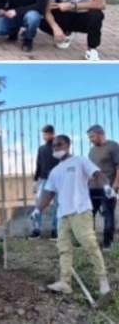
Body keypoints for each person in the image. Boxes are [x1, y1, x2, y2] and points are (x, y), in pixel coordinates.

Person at [30, 134, 112, 302]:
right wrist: (37, 210)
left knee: (89, 244)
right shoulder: (54, 171)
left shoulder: (80, 161)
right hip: (63, 215)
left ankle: (103, 282)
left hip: (80, 211)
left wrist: (107, 187)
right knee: (64, 249)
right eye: (53, 146)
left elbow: (97, 174)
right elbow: (48, 194)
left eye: (59, 144)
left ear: (68, 145)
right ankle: (65, 281)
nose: (56, 148)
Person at [87, 125, 119, 250]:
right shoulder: (92, 150)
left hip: (108, 187)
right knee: (88, 214)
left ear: (100, 134)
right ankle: (89, 241)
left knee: (108, 215)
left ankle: (108, 243)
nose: (90, 139)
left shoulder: (113, 146)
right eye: (89, 137)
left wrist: (116, 184)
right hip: (92, 187)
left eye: (92, 137)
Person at [29, 125, 60, 240]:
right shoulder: (41, 149)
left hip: (58, 180)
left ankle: (54, 231)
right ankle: (36, 230)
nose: (45, 136)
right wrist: (35, 180)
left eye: (47, 134)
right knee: (39, 205)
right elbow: (38, 165)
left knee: (57, 206)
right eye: (43, 134)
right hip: (43, 180)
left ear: (53, 134)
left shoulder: (59, 146)